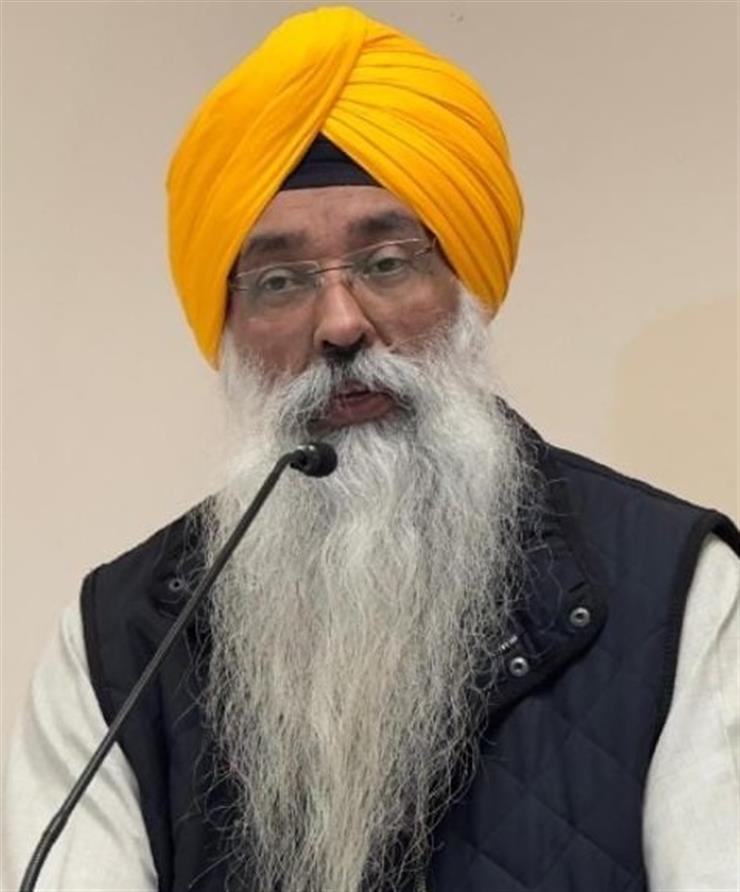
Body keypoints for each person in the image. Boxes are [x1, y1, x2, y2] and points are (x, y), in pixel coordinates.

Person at [3, 6, 738, 892]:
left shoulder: (679, 591)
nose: (341, 324)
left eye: (387, 262)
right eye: (280, 281)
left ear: (463, 283)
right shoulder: (117, 645)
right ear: (229, 324)